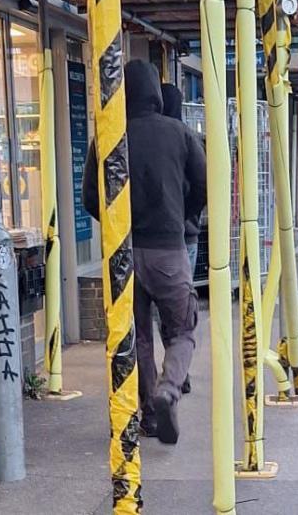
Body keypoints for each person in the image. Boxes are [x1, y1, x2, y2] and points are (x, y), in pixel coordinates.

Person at [84, 60, 206, 444]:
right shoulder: (181, 134)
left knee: (136, 338)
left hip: (124, 255)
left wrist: (119, 227)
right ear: (156, 91)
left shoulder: (108, 136)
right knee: (182, 329)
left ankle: (149, 416)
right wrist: (182, 215)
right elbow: (204, 184)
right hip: (169, 250)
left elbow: (89, 195)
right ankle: (169, 389)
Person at [160, 82, 200, 396]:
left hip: (155, 238)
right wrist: (187, 213)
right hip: (186, 235)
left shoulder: (154, 139)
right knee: (182, 312)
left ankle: (172, 376)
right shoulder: (188, 138)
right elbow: (204, 184)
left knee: (162, 313)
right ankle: (178, 373)